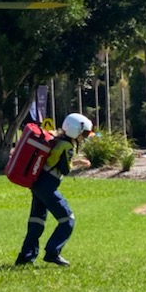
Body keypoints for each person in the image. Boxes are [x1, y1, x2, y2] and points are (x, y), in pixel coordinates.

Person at [16, 112, 93, 267]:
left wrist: (75, 161)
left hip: (38, 183)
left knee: (36, 221)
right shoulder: (67, 146)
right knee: (67, 219)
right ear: (75, 131)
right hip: (48, 185)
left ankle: (25, 257)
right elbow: (64, 169)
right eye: (83, 134)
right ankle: (53, 252)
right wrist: (78, 163)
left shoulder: (57, 140)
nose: (83, 138)